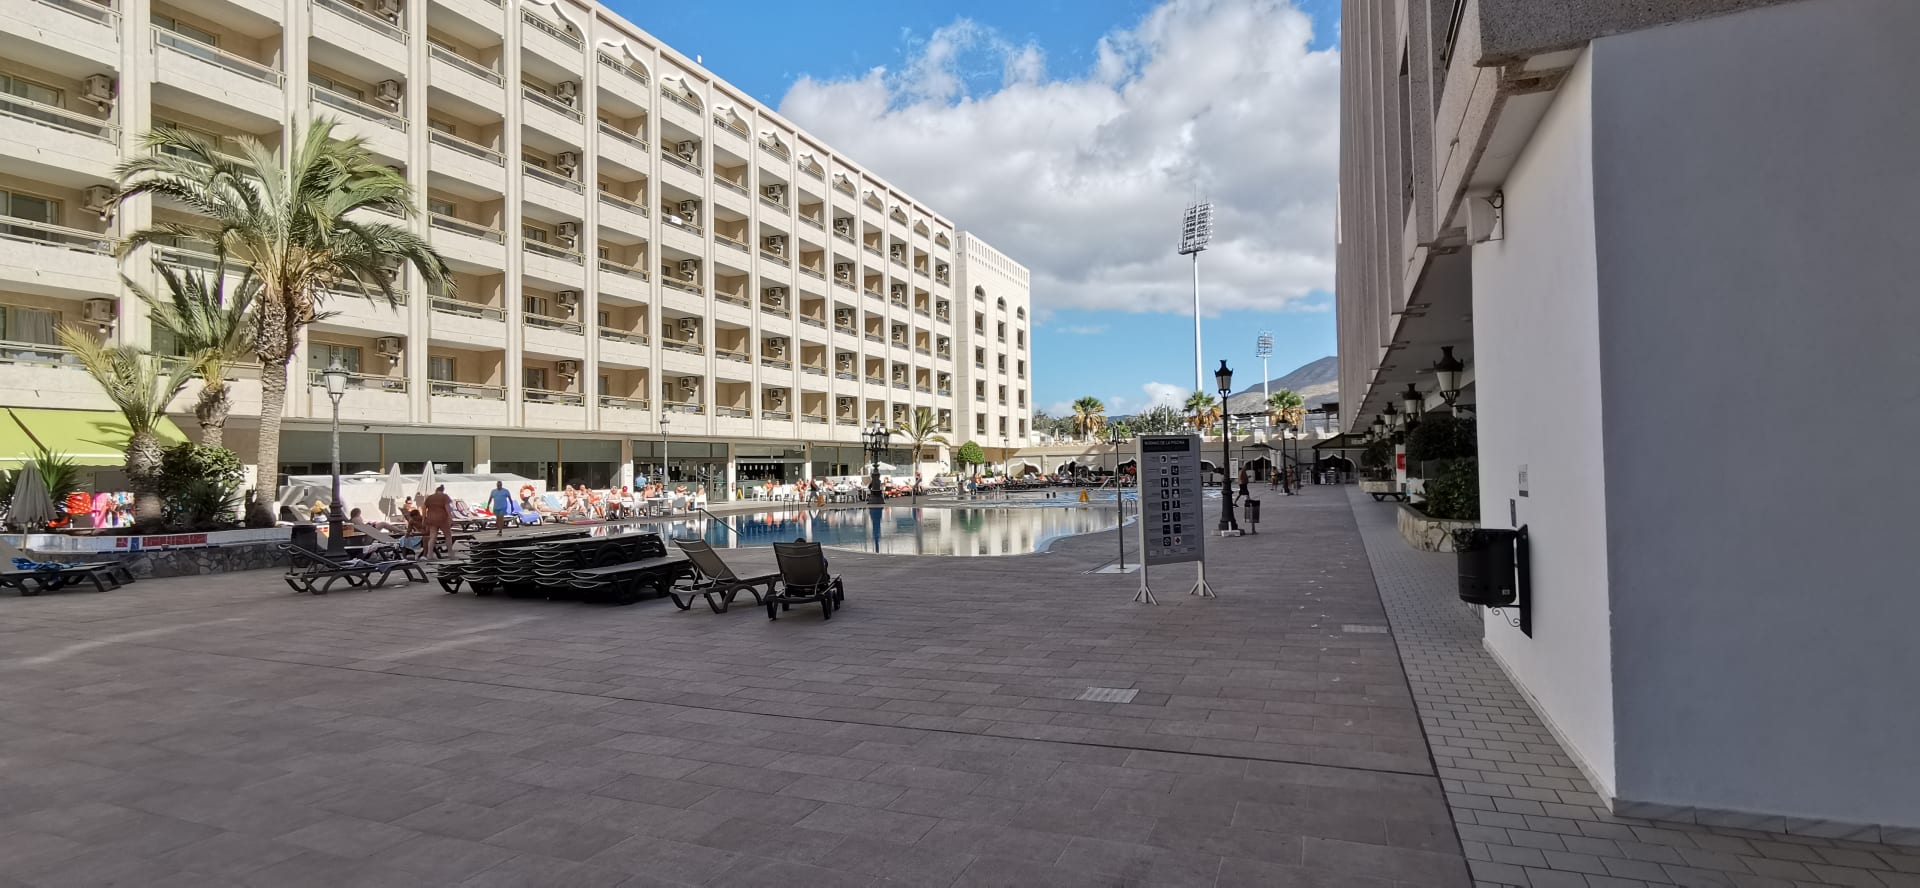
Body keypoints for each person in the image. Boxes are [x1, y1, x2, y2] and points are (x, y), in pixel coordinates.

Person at [421, 485, 454, 558]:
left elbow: (424, 508)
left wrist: (423, 519)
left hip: (431, 519)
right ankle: (450, 553)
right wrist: (450, 518)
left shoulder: (430, 497)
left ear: (436, 491)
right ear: (442, 491)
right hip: (443, 519)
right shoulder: (445, 496)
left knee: (432, 537)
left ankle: (430, 555)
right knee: (448, 536)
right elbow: (447, 507)